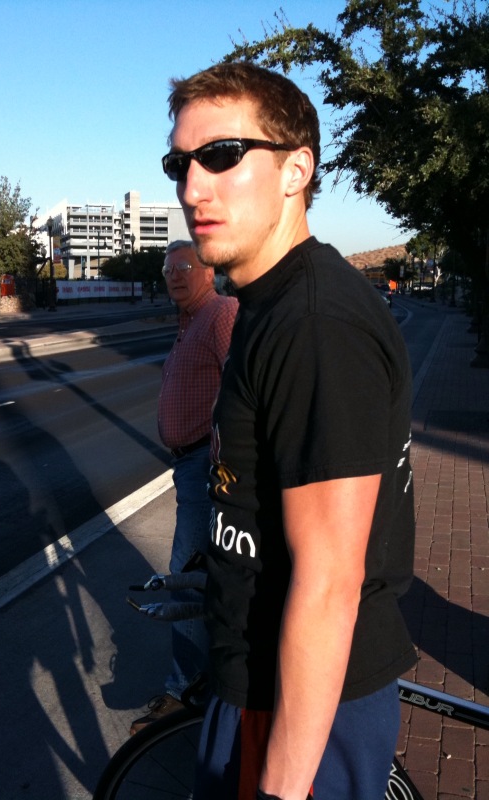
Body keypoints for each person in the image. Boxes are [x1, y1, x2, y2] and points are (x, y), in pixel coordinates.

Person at [162, 62, 416, 800]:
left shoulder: (313, 324)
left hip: (297, 703)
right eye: (179, 164)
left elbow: (330, 583)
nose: (193, 187)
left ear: (296, 170)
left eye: (221, 155)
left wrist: (281, 790)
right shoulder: (269, 305)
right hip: (261, 679)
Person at [130, 239, 238, 735]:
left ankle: (183, 692)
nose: (174, 275)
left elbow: (241, 390)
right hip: (189, 466)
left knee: (187, 576)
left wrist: (219, 459)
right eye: (168, 269)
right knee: (196, 575)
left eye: (184, 267)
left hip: (203, 467)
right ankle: (201, 683)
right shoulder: (189, 320)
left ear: (208, 271)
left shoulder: (220, 314)